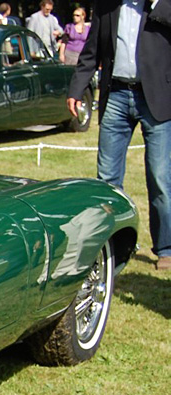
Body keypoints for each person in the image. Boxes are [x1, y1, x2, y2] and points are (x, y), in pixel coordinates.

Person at [68, 0, 171, 270]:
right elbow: (91, 52)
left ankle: (165, 248)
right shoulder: (106, 6)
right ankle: (111, 249)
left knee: (160, 177)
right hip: (116, 94)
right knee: (107, 179)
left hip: (157, 99)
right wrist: (76, 89)